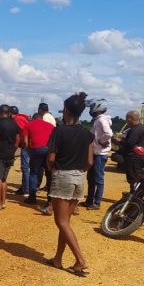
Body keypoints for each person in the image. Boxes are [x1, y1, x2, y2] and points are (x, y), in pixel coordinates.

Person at [46, 92, 94, 276]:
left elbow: (51, 158)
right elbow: (89, 161)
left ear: (66, 110)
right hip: (79, 176)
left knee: (61, 221)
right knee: (65, 222)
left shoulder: (59, 131)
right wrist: (79, 171)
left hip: (62, 175)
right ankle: (58, 258)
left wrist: (52, 169)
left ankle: (80, 260)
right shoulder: (87, 133)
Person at [84, 99, 113, 210]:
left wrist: (101, 141)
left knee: (98, 178)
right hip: (95, 152)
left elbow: (109, 133)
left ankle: (97, 202)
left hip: (100, 154)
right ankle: (89, 200)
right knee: (91, 178)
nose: (91, 110)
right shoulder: (97, 120)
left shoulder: (101, 120)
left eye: (92, 107)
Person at [25, 110, 55, 205]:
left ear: (33, 119)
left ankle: (32, 197)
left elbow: (25, 142)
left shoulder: (28, 125)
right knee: (49, 174)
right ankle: (50, 199)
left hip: (36, 150)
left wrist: (29, 152)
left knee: (34, 173)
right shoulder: (51, 126)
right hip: (49, 150)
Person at [118, 110, 144, 192]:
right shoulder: (141, 128)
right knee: (137, 178)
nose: (126, 121)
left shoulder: (135, 130)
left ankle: (134, 195)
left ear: (130, 119)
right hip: (139, 157)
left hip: (134, 158)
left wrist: (120, 141)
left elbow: (130, 143)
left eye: (127, 119)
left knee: (133, 179)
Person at [12, 106, 31, 195]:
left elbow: (23, 132)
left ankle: (26, 189)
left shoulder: (17, 119)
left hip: (26, 145)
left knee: (25, 168)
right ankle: (24, 187)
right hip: (29, 144)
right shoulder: (22, 117)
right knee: (27, 167)